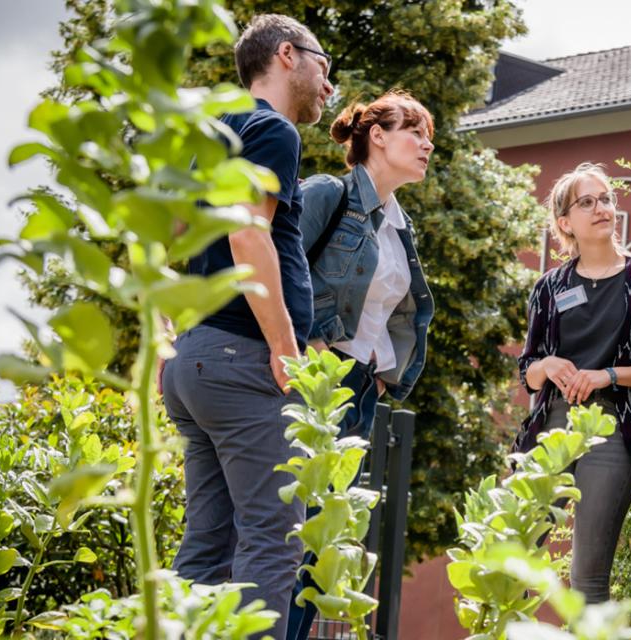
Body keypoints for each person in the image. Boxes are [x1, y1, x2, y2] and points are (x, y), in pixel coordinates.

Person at [160, 14, 333, 638]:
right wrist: (285, 347)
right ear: (287, 55)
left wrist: (171, 339)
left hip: (196, 362)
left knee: (206, 545)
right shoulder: (271, 129)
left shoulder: (209, 135)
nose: (329, 85)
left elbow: (167, 239)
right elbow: (247, 232)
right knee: (271, 539)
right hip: (242, 359)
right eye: (325, 67)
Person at [284, 91, 436, 639]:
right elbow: (278, 267)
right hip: (316, 378)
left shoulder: (399, 225)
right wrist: (312, 346)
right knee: (291, 530)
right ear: (377, 135)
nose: (427, 145)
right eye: (415, 132)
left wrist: (378, 377)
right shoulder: (329, 194)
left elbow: (401, 314)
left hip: (361, 387)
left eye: (429, 137)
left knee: (324, 542)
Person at [516, 163, 631, 603]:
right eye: (586, 202)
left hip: (614, 430)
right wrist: (548, 365)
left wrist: (608, 374)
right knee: (514, 557)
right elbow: (528, 370)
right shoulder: (550, 287)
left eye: (605, 199)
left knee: (587, 578)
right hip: (552, 427)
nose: (601, 208)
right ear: (565, 222)